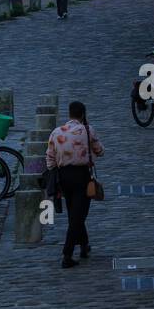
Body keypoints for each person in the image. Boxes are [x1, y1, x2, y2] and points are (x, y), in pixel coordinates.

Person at [46, 101, 104, 268]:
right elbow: (100, 151)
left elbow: (49, 159)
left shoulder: (56, 132)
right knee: (78, 216)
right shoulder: (87, 130)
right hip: (81, 176)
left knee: (74, 213)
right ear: (83, 114)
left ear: (69, 114)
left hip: (63, 177)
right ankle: (67, 254)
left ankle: (84, 246)